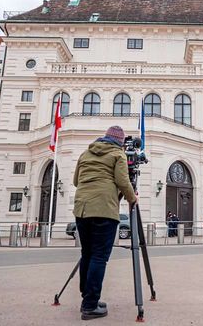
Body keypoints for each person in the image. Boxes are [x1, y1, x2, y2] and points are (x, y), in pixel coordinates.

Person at [73, 125, 137, 320]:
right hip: (104, 210)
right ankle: (90, 306)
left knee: (88, 253)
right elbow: (122, 181)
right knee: (99, 257)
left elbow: (76, 181)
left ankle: (88, 297)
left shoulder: (86, 153)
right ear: (120, 142)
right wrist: (133, 198)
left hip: (82, 209)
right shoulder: (118, 154)